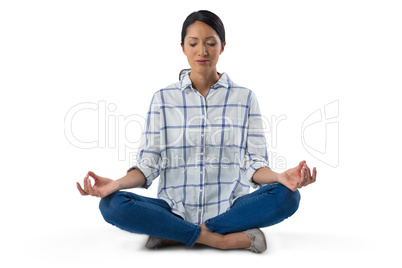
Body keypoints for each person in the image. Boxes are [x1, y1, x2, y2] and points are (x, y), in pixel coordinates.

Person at [76, 10, 317, 253]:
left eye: (211, 43)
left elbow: (254, 164)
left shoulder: (244, 98)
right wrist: (116, 184)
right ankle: (218, 239)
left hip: (232, 209)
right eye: (193, 43)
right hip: (173, 209)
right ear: (183, 47)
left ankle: (174, 233)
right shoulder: (163, 98)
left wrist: (279, 177)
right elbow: (149, 163)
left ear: (222, 47)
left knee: (288, 197)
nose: (202, 51)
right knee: (112, 204)